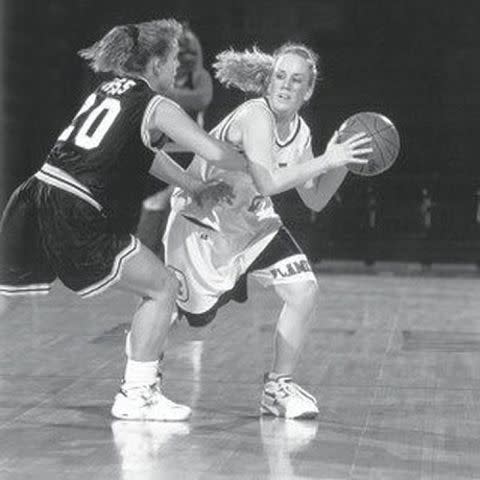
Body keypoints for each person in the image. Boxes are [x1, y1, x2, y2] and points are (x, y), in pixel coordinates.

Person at [0, 19, 247, 421]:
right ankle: (138, 394)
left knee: (5, 297)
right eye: (170, 62)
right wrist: (263, 167)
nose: (174, 71)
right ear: (153, 64)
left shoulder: (108, 89)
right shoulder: (156, 104)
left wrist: (193, 186)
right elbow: (215, 153)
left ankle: (139, 393)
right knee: (163, 287)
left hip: (36, 193)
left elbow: (142, 155)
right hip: (75, 208)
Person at [162, 43, 372, 418]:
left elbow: (316, 200)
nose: (285, 86)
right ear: (268, 82)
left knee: (304, 291)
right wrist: (327, 159)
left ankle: (278, 388)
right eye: (279, 76)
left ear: (307, 91)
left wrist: (342, 160)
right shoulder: (254, 115)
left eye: (296, 80)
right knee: (191, 323)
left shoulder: (300, 131)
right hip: (201, 225)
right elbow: (269, 181)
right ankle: (141, 376)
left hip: (253, 225)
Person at [137, 24, 214, 255]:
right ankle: (146, 260)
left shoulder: (199, 77)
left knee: (178, 205)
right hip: (162, 151)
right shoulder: (160, 75)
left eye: (192, 52)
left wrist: (167, 95)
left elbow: (201, 99)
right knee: (154, 203)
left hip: (189, 153)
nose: (186, 57)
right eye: (181, 52)